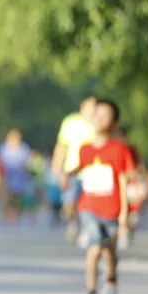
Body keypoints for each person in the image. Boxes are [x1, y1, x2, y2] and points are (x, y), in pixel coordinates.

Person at [71, 98, 133, 294]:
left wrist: (125, 214)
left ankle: (112, 278)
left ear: (114, 123)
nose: (98, 118)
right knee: (95, 248)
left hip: (112, 210)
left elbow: (124, 181)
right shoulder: (85, 149)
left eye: (104, 115)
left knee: (109, 252)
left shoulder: (119, 150)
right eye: (96, 114)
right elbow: (82, 173)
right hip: (88, 207)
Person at [52, 96, 98, 242]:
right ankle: (73, 223)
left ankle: (85, 228)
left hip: (91, 172)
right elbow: (62, 145)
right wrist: (57, 164)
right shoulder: (71, 122)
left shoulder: (98, 124)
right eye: (89, 107)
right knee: (69, 202)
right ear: (82, 107)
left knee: (88, 204)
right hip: (71, 169)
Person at [0, 129, 32, 223]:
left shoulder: (23, 148)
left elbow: (27, 161)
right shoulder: (3, 148)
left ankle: (15, 213)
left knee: (16, 196)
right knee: (6, 194)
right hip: (6, 174)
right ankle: (6, 213)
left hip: (19, 175)